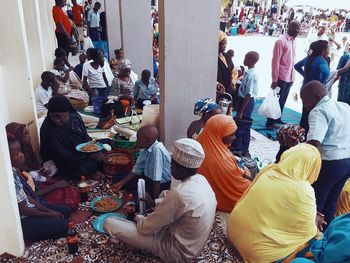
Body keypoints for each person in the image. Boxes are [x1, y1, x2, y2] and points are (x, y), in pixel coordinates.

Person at [104, 138, 217, 263]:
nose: (169, 165)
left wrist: (139, 217)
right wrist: (153, 203)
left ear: (182, 170)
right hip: (192, 244)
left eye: (172, 163)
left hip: (175, 251)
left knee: (110, 223)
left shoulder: (179, 194)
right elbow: (176, 202)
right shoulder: (202, 180)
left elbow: (145, 228)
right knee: (164, 194)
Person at [227, 144, 322, 263]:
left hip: (233, 230)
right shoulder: (304, 191)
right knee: (317, 238)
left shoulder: (270, 170)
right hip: (257, 252)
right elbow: (307, 231)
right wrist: (316, 222)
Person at [301, 81, 350, 229]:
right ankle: (326, 234)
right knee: (332, 200)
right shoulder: (344, 106)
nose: (304, 105)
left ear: (315, 97)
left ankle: (309, 235)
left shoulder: (318, 111)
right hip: (347, 161)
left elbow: (314, 142)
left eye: (305, 101)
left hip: (330, 162)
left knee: (316, 202)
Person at [7, 134, 71, 242]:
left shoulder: (14, 170)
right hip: (21, 220)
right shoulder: (8, 176)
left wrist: (48, 210)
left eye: (20, 151)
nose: (22, 155)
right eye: (16, 154)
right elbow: (23, 209)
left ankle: (45, 223)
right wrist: (49, 214)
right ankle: (29, 234)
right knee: (65, 226)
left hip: (30, 207)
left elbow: (28, 197)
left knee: (66, 211)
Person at [40, 96, 104, 180]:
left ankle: (94, 167)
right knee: (81, 166)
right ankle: (92, 171)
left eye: (59, 116)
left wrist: (94, 149)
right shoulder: (48, 129)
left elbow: (84, 136)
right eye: (52, 116)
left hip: (80, 153)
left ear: (68, 112)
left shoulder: (75, 117)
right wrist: (88, 156)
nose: (56, 120)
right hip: (62, 161)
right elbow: (61, 156)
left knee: (105, 144)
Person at [197, 114, 251, 212]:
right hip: (227, 201)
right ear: (219, 133)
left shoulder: (201, 142)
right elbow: (236, 186)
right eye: (231, 135)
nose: (234, 138)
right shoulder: (223, 160)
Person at [295, 41, 350, 133]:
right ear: (324, 51)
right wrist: (321, 82)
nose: (330, 50)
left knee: (305, 114)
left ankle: (301, 134)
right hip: (315, 92)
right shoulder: (322, 61)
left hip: (305, 88)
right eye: (329, 48)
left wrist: (305, 75)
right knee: (315, 115)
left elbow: (296, 66)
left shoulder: (309, 58)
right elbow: (326, 73)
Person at [111, 126, 171, 199]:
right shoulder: (146, 147)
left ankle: (147, 195)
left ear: (147, 140)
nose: (136, 141)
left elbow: (156, 179)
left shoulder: (157, 150)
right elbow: (138, 169)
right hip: (147, 178)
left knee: (138, 197)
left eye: (138, 139)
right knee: (116, 178)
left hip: (160, 185)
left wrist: (155, 201)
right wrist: (121, 183)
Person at [266, 20, 301, 129]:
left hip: (289, 76)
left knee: (283, 99)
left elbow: (292, 60)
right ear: (289, 27)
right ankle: (270, 121)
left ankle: (278, 119)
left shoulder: (294, 41)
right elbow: (275, 61)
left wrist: (293, 77)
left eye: (299, 28)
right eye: (296, 28)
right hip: (280, 77)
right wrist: (274, 79)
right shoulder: (281, 41)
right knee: (276, 100)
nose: (298, 30)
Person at [232, 51, 259, 157]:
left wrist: (241, 111)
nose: (244, 59)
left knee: (241, 126)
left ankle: (240, 149)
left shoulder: (252, 75)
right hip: (245, 102)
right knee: (244, 126)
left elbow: (248, 94)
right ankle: (242, 148)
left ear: (251, 60)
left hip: (247, 103)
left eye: (246, 57)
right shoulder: (248, 72)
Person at [217, 31, 236, 98]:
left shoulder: (226, 56)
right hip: (218, 91)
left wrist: (233, 82)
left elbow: (234, 71)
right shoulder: (213, 58)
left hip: (228, 90)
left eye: (226, 44)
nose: (225, 46)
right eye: (223, 44)